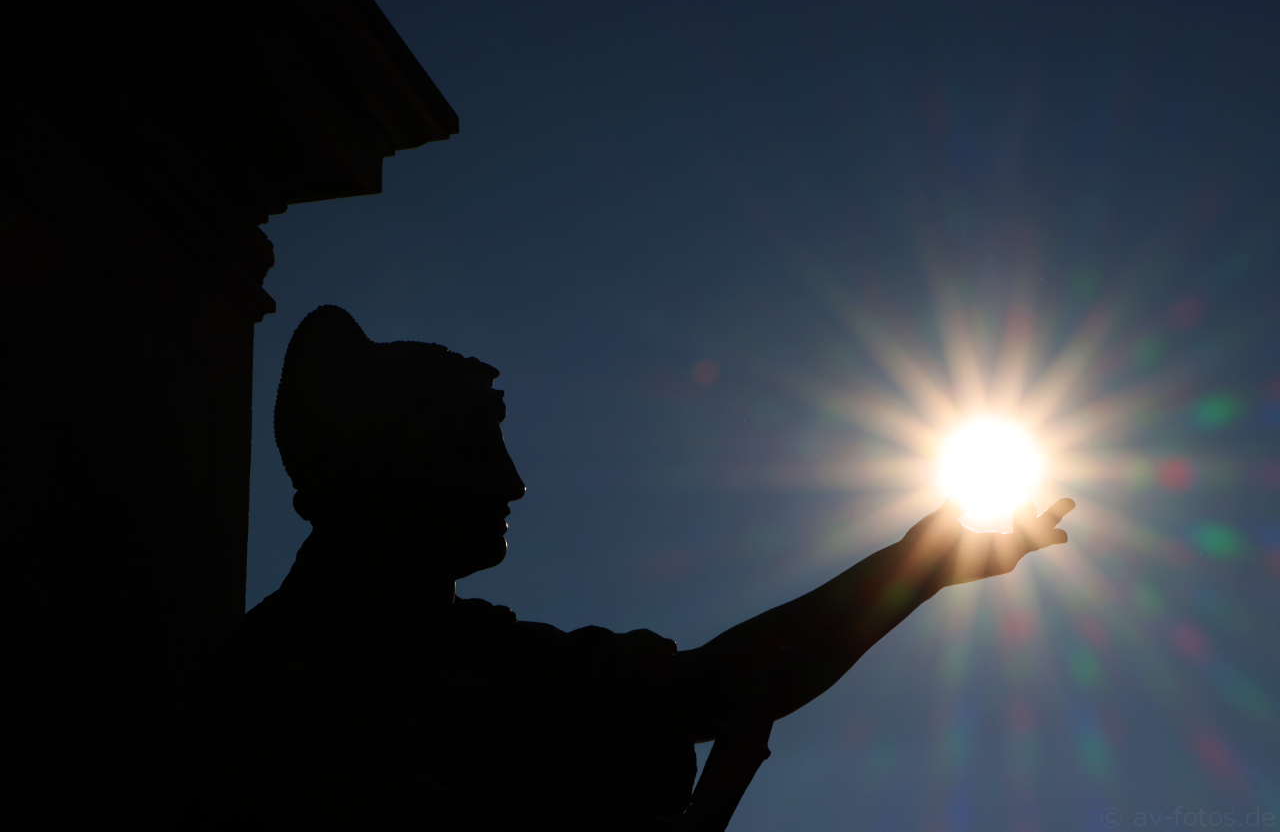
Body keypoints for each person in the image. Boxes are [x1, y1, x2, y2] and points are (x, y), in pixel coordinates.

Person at [151, 305, 1075, 831]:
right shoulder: (304, 669)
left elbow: (713, 686)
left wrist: (920, 567)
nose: (513, 482)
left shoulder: (487, 655)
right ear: (393, 465)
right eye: (478, 453)